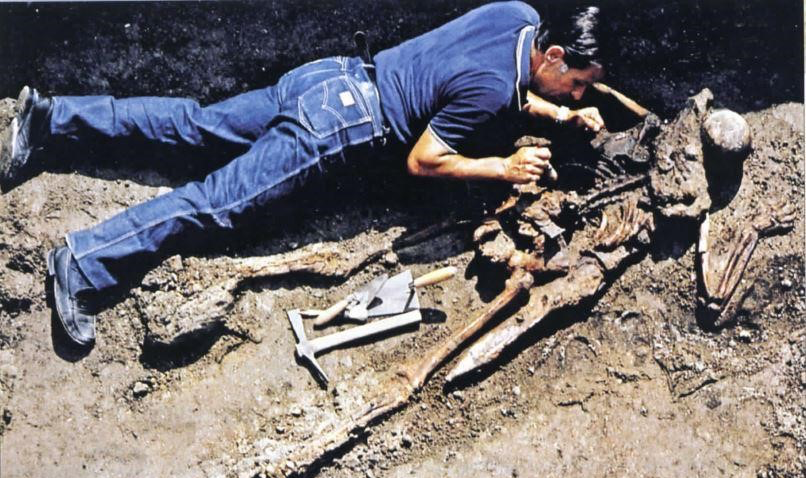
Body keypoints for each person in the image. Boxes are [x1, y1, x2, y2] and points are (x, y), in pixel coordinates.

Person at [0, 1, 605, 348]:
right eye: (576, 81)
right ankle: (83, 261)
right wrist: (501, 166)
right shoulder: (492, 89)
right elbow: (423, 160)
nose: (578, 91)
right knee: (215, 203)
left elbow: (482, 80)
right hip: (339, 128)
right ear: (552, 56)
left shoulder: (518, 13)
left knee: (194, 125)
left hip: (328, 77)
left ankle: (53, 118)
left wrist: (558, 110)